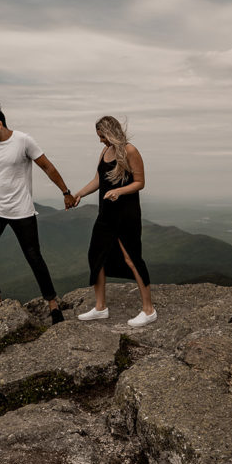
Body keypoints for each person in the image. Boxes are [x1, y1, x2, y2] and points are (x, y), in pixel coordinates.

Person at [0, 104, 72, 324]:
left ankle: (53, 304)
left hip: (21, 209)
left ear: (0, 123)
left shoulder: (23, 140)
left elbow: (47, 167)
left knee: (33, 255)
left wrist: (66, 192)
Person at [71, 115, 156, 327]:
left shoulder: (130, 151)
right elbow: (99, 180)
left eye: (102, 136)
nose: (100, 140)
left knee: (131, 258)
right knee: (96, 255)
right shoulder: (105, 151)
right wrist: (79, 193)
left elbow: (140, 182)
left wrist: (119, 191)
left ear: (110, 133)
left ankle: (149, 310)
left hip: (126, 214)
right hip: (106, 213)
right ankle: (100, 308)